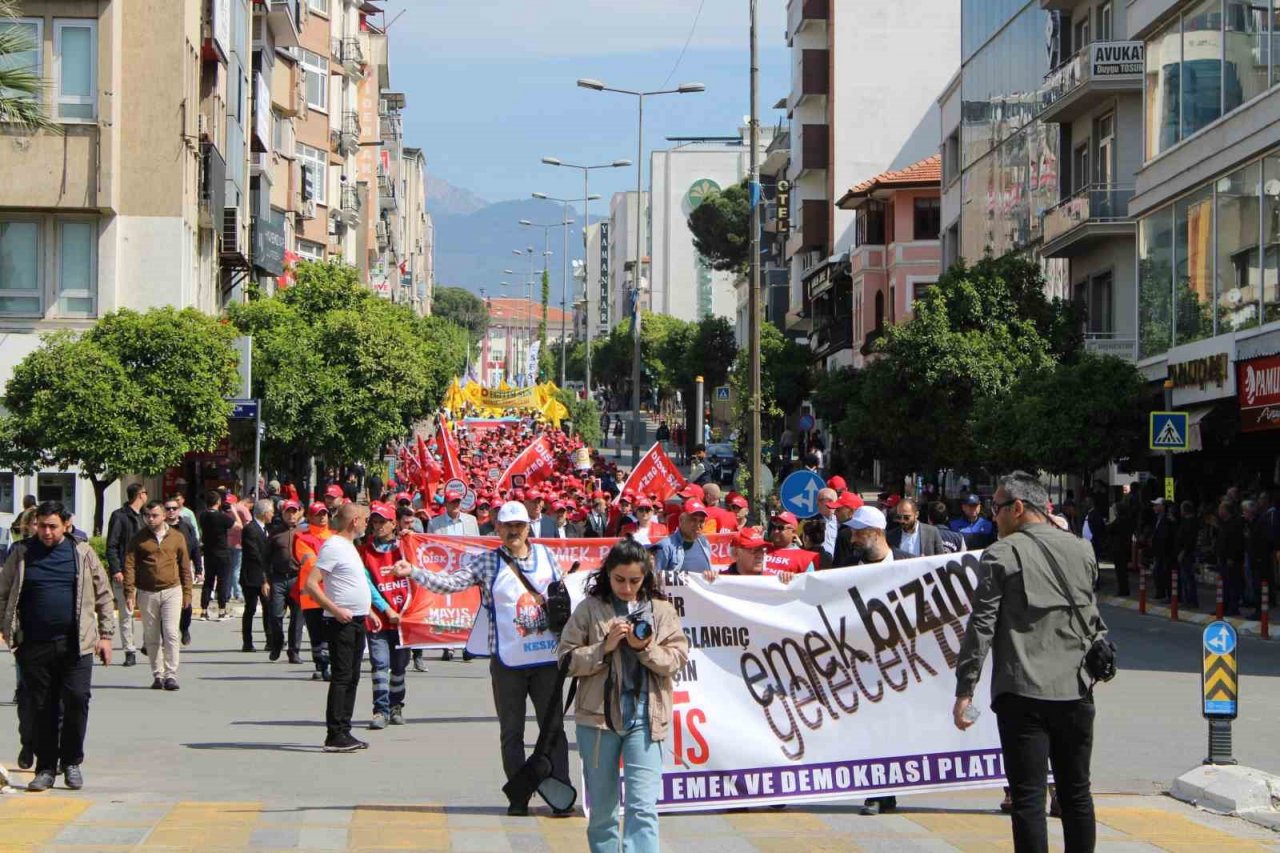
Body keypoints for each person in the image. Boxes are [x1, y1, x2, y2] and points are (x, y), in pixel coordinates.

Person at [953, 471, 1106, 853]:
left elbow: (982, 626)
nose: (993, 517)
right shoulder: (1081, 550)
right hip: (1076, 689)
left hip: (1022, 692)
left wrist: (965, 689)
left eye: (997, 508)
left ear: (1018, 508)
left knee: (1028, 798)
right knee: (1076, 793)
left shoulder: (1001, 553)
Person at [394, 501, 570, 816]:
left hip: (547, 660)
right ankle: (519, 796)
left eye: (519, 525)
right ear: (498, 528)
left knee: (553, 728)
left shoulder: (547, 557)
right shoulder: (487, 563)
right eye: (507, 526)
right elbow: (449, 582)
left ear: (528, 527)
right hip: (507, 663)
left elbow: (565, 596)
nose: (514, 531)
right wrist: (414, 572)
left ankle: (561, 794)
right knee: (511, 732)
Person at [558, 539, 690, 852]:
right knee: (602, 811)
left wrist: (646, 649)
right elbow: (565, 660)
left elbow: (677, 658)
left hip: (647, 716)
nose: (627, 588)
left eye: (635, 581)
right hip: (598, 718)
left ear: (646, 578)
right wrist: (604, 647)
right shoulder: (590, 609)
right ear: (608, 575)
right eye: (619, 580)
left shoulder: (661, 610)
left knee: (642, 807)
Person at [0, 501, 115, 792]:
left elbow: (103, 593)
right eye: (41, 525)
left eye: (52, 526)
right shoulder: (22, 553)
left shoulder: (82, 552)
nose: (46, 532)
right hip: (34, 645)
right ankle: (46, 767)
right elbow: (3, 593)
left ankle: (72, 761)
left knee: (77, 699)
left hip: (76, 644)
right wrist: (6, 631)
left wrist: (105, 635)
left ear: (67, 524)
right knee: (42, 707)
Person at [303, 502, 382, 753]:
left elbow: (352, 583)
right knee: (342, 677)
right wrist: (336, 610)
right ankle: (335, 733)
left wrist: (368, 610)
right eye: (366, 519)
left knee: (353, 677)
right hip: (341, 622)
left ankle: (344, 730)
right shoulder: (334, 546)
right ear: (355, 521)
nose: (368, 524)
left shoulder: (349, 547)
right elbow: (312, 584)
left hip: (357, 620)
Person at [123, 500, 192, 691]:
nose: (150, 519)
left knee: (170, 632)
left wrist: (188, 593)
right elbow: (129, 565)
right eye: (147, 516)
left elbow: (185, 567)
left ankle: (171, 675)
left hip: (172, 590)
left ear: (163, 516)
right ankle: (158, 675)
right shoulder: (139, 538)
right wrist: (130, 591)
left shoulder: (177, 537)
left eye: (154, 515)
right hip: (147, 592)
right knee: (152, 635)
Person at [359, 502, 410, 730]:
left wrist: (413, 539)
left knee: (399, 666)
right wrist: (386, 609)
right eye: (375, 522)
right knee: (380, 664)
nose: (378, 526)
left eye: (383, 522)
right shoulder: (364, 551)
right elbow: (367, 585)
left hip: (403, 619)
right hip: (379, 618)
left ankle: (396, 705)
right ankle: (380, 709)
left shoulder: (406, 547)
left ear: (393, 524)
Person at [105, 483, 146, 667]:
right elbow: (112, 545)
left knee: (149, 610)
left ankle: (147, 643)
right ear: (139, 495)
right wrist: (116, 569)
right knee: (126, 612)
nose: (146, 496)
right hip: (125, 572)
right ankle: (130, 650)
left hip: (144, 572)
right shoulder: (120, 516)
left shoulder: (145, 517)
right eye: (144, 493)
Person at [296, 503, 335, 681]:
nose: (322, 517)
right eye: (318, 514)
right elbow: (310, 563)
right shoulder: (302, 538)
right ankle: (320, 665)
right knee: (316, 634)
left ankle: (327, 664)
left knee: (330, 633)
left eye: (324, 514)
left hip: (332, 593)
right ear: (310, 517)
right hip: (311, 596)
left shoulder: (335, 537)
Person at [265, 501, 305, 664]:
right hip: (279, 578)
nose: (291, 515)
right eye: (288, 512)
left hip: (298, 578)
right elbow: (265, 559)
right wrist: (265, 580)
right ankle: (277, 642)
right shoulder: (274, 534)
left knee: (297, 617)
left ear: (299, 513)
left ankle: (294, 651)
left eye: (294, 512)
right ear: (282, 514)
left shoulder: (304, 532)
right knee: (275, 615)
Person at [163, 497, 202, 647]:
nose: (171, 511)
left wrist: (198, 570)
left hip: (183, 570)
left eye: (174, 508)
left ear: (179, 510)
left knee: (186, 602)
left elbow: (195, 548)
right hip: (165, 571)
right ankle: (163, 635)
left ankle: (184, 629)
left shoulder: (187, 527)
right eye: (168, 508)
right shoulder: (160, 527)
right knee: (163, 603)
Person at [198, 490, 241, 621]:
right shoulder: (222, 517)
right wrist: (233, 511)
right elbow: (239, 526)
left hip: (209, 552)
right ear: (218, 502)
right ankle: (222, 611)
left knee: (208, 582)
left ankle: (204, 611)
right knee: (223, 581)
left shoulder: (203, 515)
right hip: (222, 552)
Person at [239, 500, 274, 653]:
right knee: (251, 608)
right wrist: (264, 577)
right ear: (264, 513)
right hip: (252, 576)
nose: (273, 514)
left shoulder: (267, 529)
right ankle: (247, 642)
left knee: (268, 607)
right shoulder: (250, 529)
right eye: (271, 511)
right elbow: (255, 554)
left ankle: (270, 640)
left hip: (265, 575)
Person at [653, 501, 712, 575]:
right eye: (693, 520)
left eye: (701, 521)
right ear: (681, 520)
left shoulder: (704, 543)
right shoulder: (665, 547)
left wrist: (712, 576)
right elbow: (655, 578)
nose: (698, 525)